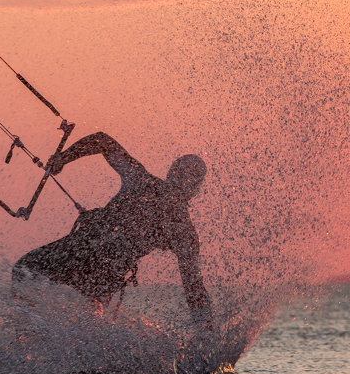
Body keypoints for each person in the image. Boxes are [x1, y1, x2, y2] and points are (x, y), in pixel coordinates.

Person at [12, 132, 214, 327]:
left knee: (25, 269)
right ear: (196, 189)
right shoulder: (184, 231)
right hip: (105, 270)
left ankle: (31, 334)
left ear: (172, 172)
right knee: (86, 317)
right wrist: (208, 337)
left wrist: (64, 159)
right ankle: (47, 335)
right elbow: (194, 289)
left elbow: (102, 140)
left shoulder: (140, 179)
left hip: (84, 252)